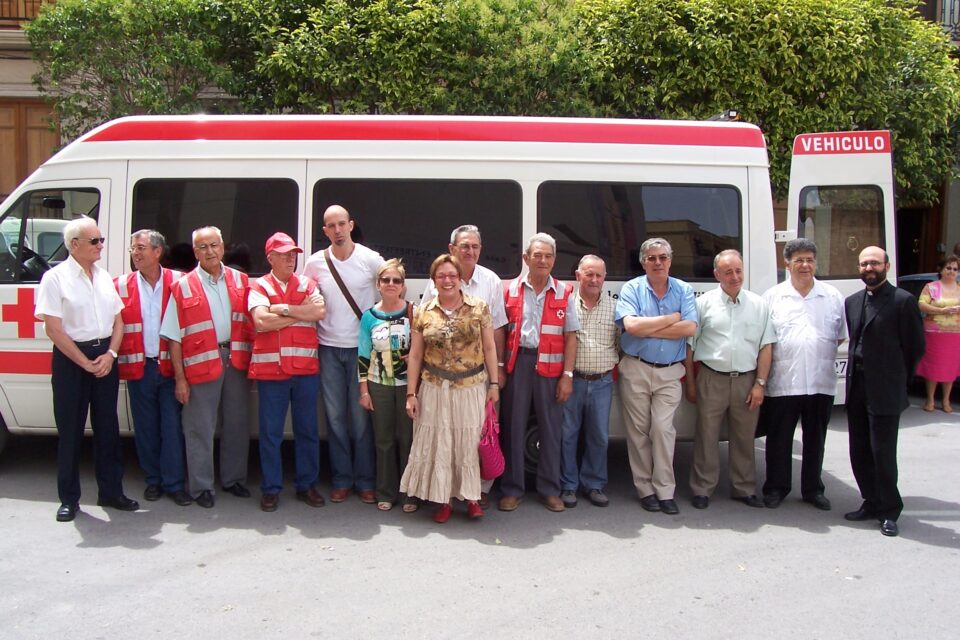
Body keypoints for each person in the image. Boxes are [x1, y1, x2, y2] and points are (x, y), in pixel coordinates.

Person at [35, 216, 138, 522]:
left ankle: (111, 491)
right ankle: (68, 498)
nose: (101, 246)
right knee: (70, 432)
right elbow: (53, 329)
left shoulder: (104, 276)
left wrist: (111, 353)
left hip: (105, 355)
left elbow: (119, 320)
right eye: (95, 241)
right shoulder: (54, 279)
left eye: (101, 239)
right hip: (71, 359)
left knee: (108, 429)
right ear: (74, 245)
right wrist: (84, 362)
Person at [401, 254, 499, 523]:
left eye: (452, 276)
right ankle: (442, 500)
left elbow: (490, 347)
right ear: (433, 280)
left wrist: (494, 383)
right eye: (441, 276)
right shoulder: (423, 312)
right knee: (440, 444)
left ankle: (471, 498)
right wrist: (411, 393)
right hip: (434, 387)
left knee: (468, 443)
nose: (447, 281)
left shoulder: (479, 308)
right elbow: (416, 355)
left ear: (460, 279)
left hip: (471, 386)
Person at [160, 226, 254, 508]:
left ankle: (234, 479)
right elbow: (173, 338)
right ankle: (201, 487)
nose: (210, 251)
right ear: (195, 252)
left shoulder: (241, 280)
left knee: (237, 422)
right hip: (201, 363)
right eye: (203, 247)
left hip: (235, 359)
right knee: (199, 426)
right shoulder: (182, 286)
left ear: (223, 247)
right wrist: (180, 379)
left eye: (214, 245)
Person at [423, 224, 509, 508]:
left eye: (474, 247)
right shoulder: (437, 280)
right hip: (441, 378)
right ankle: (448, 490)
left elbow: (496, 331)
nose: (469, 251)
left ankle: (479, 489)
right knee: (447, 432)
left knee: (478, 432)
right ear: (452, 249)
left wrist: (497, 371)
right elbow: (425, 325)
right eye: (464, 246)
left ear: (480, 250)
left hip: (478, 376)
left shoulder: (491, 280)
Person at [303, 205, 384, 504]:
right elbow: (306, 297)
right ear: (324, 231)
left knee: (361, 420)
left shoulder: (370, 260)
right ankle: (341, 479)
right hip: (327, 348)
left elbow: (391, 288)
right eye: (330, 226)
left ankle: (365, 480)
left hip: (362, 351)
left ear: (351, 225)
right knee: (335, 419)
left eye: (341, 224)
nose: (337, 230)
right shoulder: (314, 263)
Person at [844, 246, 925, 537]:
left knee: (883, 453)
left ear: (887, 266)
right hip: (858, 387)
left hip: (886, 388)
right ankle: (871, 500)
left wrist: (900, 382)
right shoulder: (852, 302)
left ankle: (890, 510)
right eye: (864, 263)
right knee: (860, 450)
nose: (869, 268)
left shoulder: (903, 301)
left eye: (874, 263)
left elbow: (915, 348)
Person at [760, 238, 846, 510]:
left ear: (815, 262)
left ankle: (813, 489)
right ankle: (776, 487)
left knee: (815, 440)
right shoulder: (773, 297)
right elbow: (765, 341)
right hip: (784, 381)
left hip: (821, 381)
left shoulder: (832, 296)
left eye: (809, 259)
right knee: (779, 440)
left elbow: (839, 337)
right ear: (787, 264)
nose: (805, 265)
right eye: (799, 260)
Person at [685, 250, 775, 509]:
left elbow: (766, 347)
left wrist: (760, 384)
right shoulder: (703, 304)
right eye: (728, 272)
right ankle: (702, 488)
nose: (735, 277)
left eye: (738, 270)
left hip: (747, 381)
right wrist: (691, 383)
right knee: (706, 436)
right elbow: (690, 346)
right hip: (711, 379)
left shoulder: (758, 305)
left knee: (744, 437)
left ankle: (744, 488)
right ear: (717, 275)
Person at [615, 237, 697, 515]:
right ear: (643, 262)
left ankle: (665, 490)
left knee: (662, 430)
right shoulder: (632, 288)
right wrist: (671, 319)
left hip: (670, 372)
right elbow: (631, 326)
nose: (658, 262)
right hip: (636, 367)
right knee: (637, 432)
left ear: (670, 261)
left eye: (663, 257)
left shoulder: (684, 289)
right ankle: (645, 490)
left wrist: (649, 327)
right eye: (652, 258)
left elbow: (690, 329)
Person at [498, 233, 579, 513]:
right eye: (537, 255)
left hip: (551, 369)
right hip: (517, 364)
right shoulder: (509, 289)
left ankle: (549, 489)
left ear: (554, 259)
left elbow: (571, 336)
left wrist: (567, 376)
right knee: (513, 427)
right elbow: (500, 331)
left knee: (550, 430)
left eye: (548, 256)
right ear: (526, 259)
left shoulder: (565, 292)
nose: (543, 260)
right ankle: (512, 489)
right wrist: (500, 368)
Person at [248, 232, 326, 512]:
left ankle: (307, 485)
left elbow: (318, 312)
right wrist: (298, 312)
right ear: (270, 258)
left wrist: (281, 310)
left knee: (308, 431)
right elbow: (260, 322)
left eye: (293, 253)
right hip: (272, 373)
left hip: (305, 370)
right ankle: (271, 489)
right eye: (283, 254)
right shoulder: (259, 286)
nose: (290, 258)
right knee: (271, 434)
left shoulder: (307, 282)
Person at [115, 229, 191, 506]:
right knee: (145, 428)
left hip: (170, 367)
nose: (135, 253)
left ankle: (174, 484)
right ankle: (153, 481)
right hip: (140, 367)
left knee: (172, 428)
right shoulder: (120, 284)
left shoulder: (179, 281)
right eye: (133, 249)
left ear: (157, 252)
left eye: (141, 248)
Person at [559, 255, 620, 508]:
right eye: (589, 274)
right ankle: (568, 486)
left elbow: (620, 342)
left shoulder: (615, 308)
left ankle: (594, 484)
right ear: (578, 275)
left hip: (602, 381)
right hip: (574, 380)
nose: (594, 279)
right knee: (568, 435)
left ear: (604, 278)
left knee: (599, 436)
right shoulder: (566, 305)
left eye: (599, 275)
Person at [358, 259, 415, 512]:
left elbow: (425, 347)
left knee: (408, 439)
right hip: (378, 383)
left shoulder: (414, 311)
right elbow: (362, 354)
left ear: (403, 285)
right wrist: (364, 391)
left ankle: (410, 493)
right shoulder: (369, 317)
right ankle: (385, 492)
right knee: (383, 440)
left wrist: (413, 354)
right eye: (386, 280)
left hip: (408, 385)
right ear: (378, 284)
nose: (391, 284)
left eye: (396, 280)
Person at [915, 255, 960, 412]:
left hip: (954, 335)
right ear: (940, 269)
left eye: (955, 269)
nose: (952, 271)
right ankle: (930, 400)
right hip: (934, 333)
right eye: (948, 268)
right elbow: (921, 305)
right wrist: (942, 310)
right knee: (933, 367)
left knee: (950, 368)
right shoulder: (931, 287)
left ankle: (946, 401)